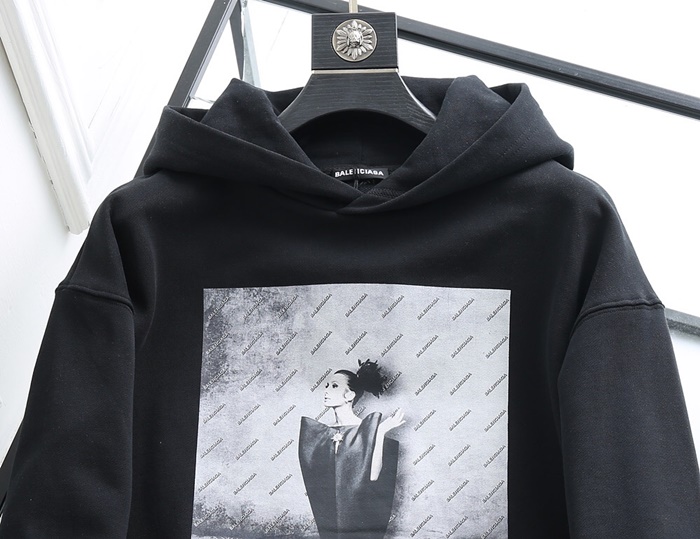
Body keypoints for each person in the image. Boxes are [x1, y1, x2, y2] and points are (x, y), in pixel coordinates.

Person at [299, 359, 404, 539]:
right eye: (326, 385)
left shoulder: (368, 430)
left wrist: (379, 433)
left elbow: (373, 477)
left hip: (359, 518)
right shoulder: (320, 433)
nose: (326, 390)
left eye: (334, 386)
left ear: (349, 395)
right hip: (330, 522)